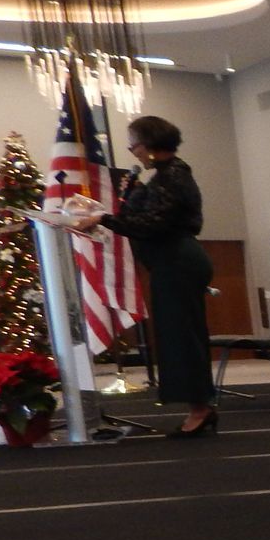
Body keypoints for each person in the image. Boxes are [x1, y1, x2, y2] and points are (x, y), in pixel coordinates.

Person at [76, 116, 215, 437]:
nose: (132, 150)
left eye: (134, 144)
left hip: (178, 261)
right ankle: (199, 407)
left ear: (150, 145)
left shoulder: (173, 177)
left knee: (183, 337)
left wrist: (104, 218)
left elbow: (151, 224)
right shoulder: (162, 177)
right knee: (176, 336)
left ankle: (201, 409)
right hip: (171, 262)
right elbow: (136, 216)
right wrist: (115, 208)